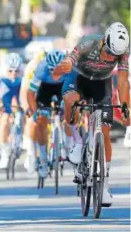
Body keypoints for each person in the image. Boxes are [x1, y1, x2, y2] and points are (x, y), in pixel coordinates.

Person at [55, 22, 130, 207]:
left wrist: (125, 106)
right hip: (78, 77)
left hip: (101, 84)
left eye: (115, 55)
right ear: (104, 41)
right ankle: (77, 142)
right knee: (71, 101)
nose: (111, 57)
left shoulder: (123, 53)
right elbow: (70, 61)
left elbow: (122, 82)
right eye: (109, 52)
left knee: (104, 131)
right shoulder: (89, 43)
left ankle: (104, 185)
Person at [26, 49, 69, 178]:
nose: (54, 74)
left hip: (63, 87)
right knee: (40, 120)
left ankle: (69, 144)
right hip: (45, 89)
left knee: (69, 111)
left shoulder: (69, 68)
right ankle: (43, 159)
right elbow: (31, 93)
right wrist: (34, 112)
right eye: (51, 70)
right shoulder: (41, 69)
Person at [0, 53, 23, 169]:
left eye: (16, 71)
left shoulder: (24, 74)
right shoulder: (0, 76)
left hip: (19, 89)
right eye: (10, 71)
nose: (13, 74)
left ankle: (24, 139)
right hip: (5, 91)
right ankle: (4, 150)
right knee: (5, 118)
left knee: (26, 112)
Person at [20, 50, 46, 173]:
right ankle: (31, 152)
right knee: (32, 121)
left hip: (48, 91)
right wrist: (27, 108)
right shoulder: (31, 69)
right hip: (33, 93)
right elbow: (24, 92)